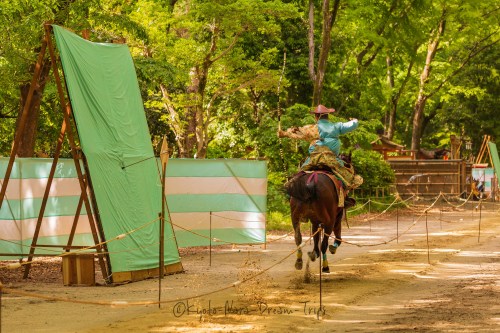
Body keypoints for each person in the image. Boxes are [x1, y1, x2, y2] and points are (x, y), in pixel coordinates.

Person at [278, 104, 363, 208]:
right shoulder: (336, 126)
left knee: (298, 175)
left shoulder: (311, 128)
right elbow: (352, 125)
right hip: (333, 160)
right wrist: (355, 120)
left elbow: (295, 131)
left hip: (313, 160)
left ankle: (294, 199)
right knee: (348, 177)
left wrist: (283, 133)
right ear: (327, 115)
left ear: (316, 116)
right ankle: (344, 199)